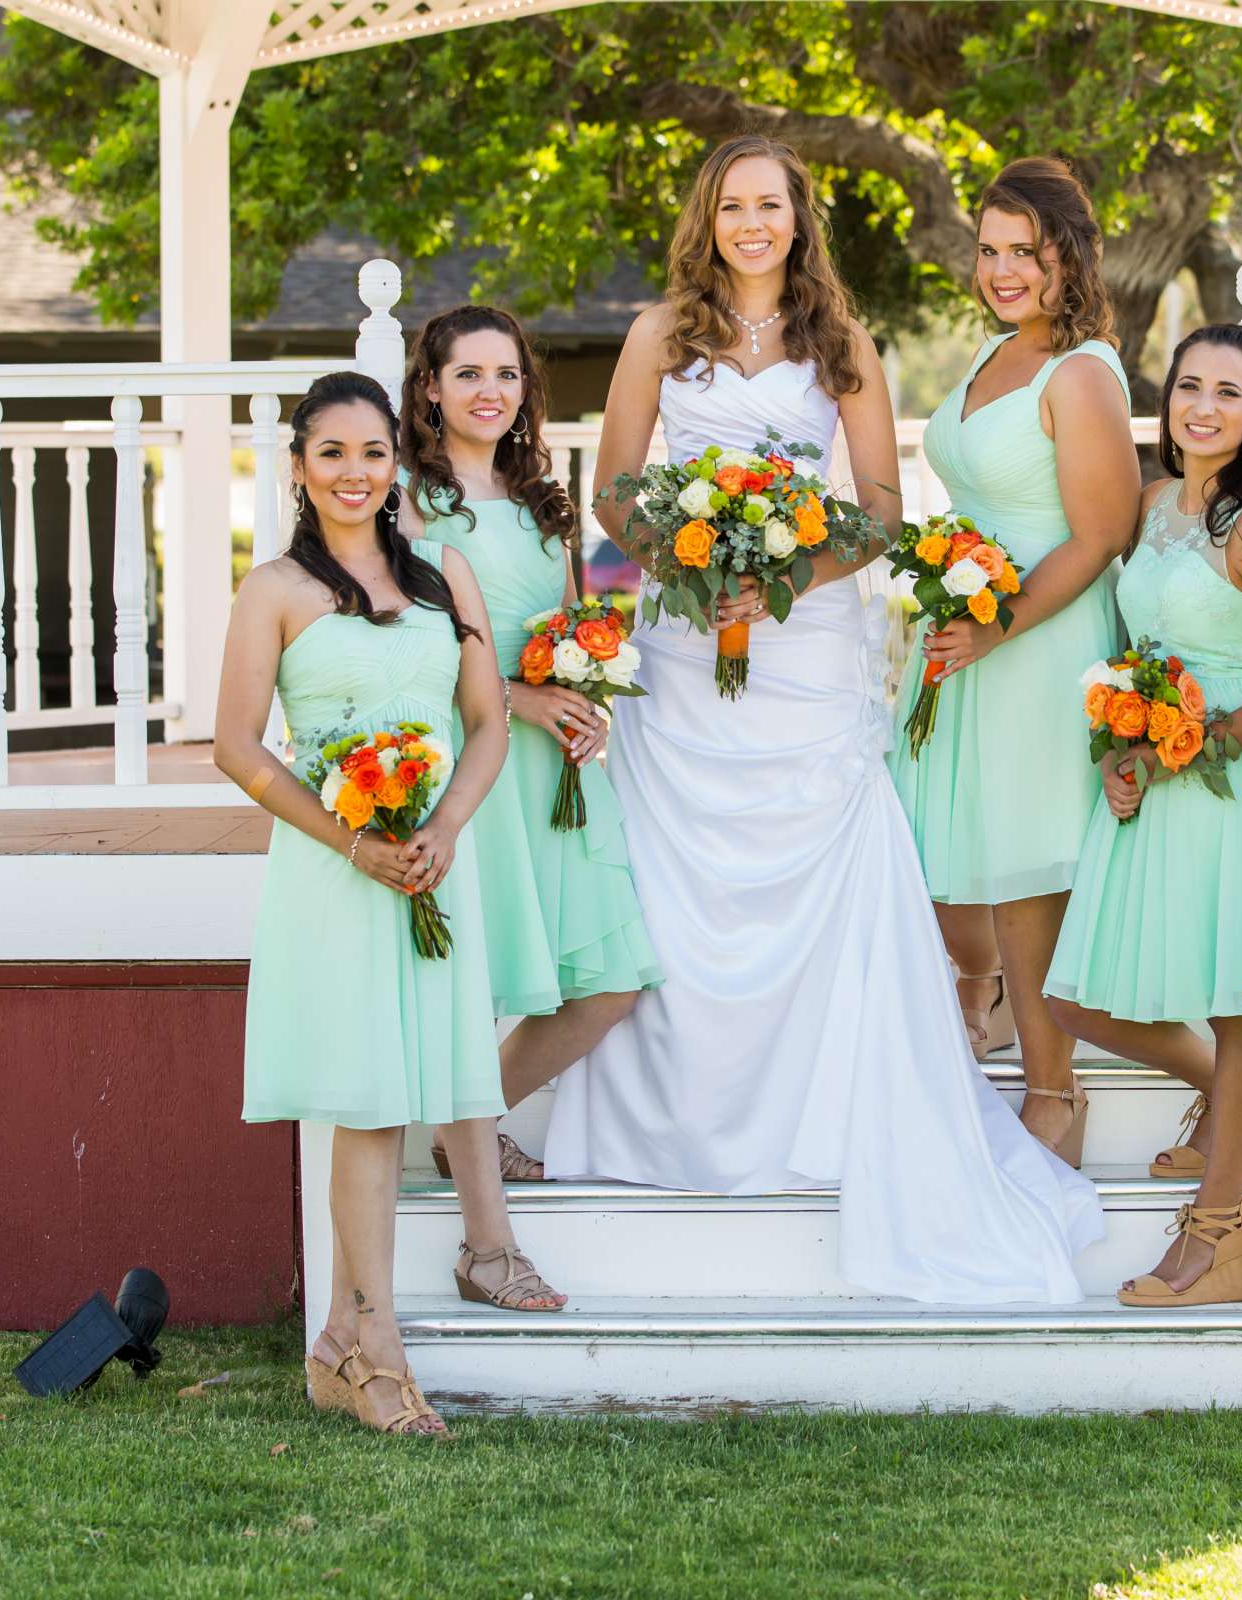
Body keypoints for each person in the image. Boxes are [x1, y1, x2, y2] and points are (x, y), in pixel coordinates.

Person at [545, 134, 1101, 1304]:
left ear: (802, 221)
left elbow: (885, 507)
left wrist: (785, 570)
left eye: (774, 206)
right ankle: (670, 1126)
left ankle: (826, 1112)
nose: (755, 224)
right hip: (685, 649)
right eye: (734, 205)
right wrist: (684, 558)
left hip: (807, 646)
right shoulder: (657, 335)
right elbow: (612, 488)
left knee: (814, 864)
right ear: (709, 218)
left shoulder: (844, 344)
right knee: (682, 876)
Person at [217, 372, 547, 1435]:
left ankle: (338, 1346)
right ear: (300, 468)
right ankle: (381, 1350)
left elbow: (488, 722)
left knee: (401, 1098)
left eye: (372, 453)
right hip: (336, 874)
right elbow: (235, 748)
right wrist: (354, 840)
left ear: (394, 465)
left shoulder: (444, 573)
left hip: (432, 870)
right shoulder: (273, 588)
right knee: (366, 1107)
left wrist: (443, 827)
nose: (356, 474)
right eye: (333, 454)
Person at [1044, 321, 1242, 1306]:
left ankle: (1215, 1233)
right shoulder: (1157, 503)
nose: (1203, 406)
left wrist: (1197, 747)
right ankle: (1235, 1100)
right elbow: (1138, 651)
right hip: (1155, 776)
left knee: (1240, 999)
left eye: (1228, 392)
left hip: (1231, 779)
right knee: (1074, 998)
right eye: (1189, 386)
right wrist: (1126, 750)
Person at [885, 157, 1141, 1165]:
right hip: (970, 634)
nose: (1001, 271)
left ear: (1067, 258)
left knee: (1028, 881)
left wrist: (999, 624)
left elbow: (1103, 529)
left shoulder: (1078, 371)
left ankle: (1055, 1097)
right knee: (952, 869)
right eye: (988, 251)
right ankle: (976, 1004)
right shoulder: (998, 350)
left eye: (1023, 254)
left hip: (1040, 644)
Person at [394, 305, 663, 1207]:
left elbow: (560, 623)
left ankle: (463, 1123)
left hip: (551, 767)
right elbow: (406, 653)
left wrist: (587, 692)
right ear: (429, 387)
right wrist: (519, 699)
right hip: (470, 758)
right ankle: (474, 1158)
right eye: (467, 374)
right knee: (477, 973)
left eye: (505, 375)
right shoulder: (406, 500)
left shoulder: (544, 503)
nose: (489, 391)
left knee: (605, 987)